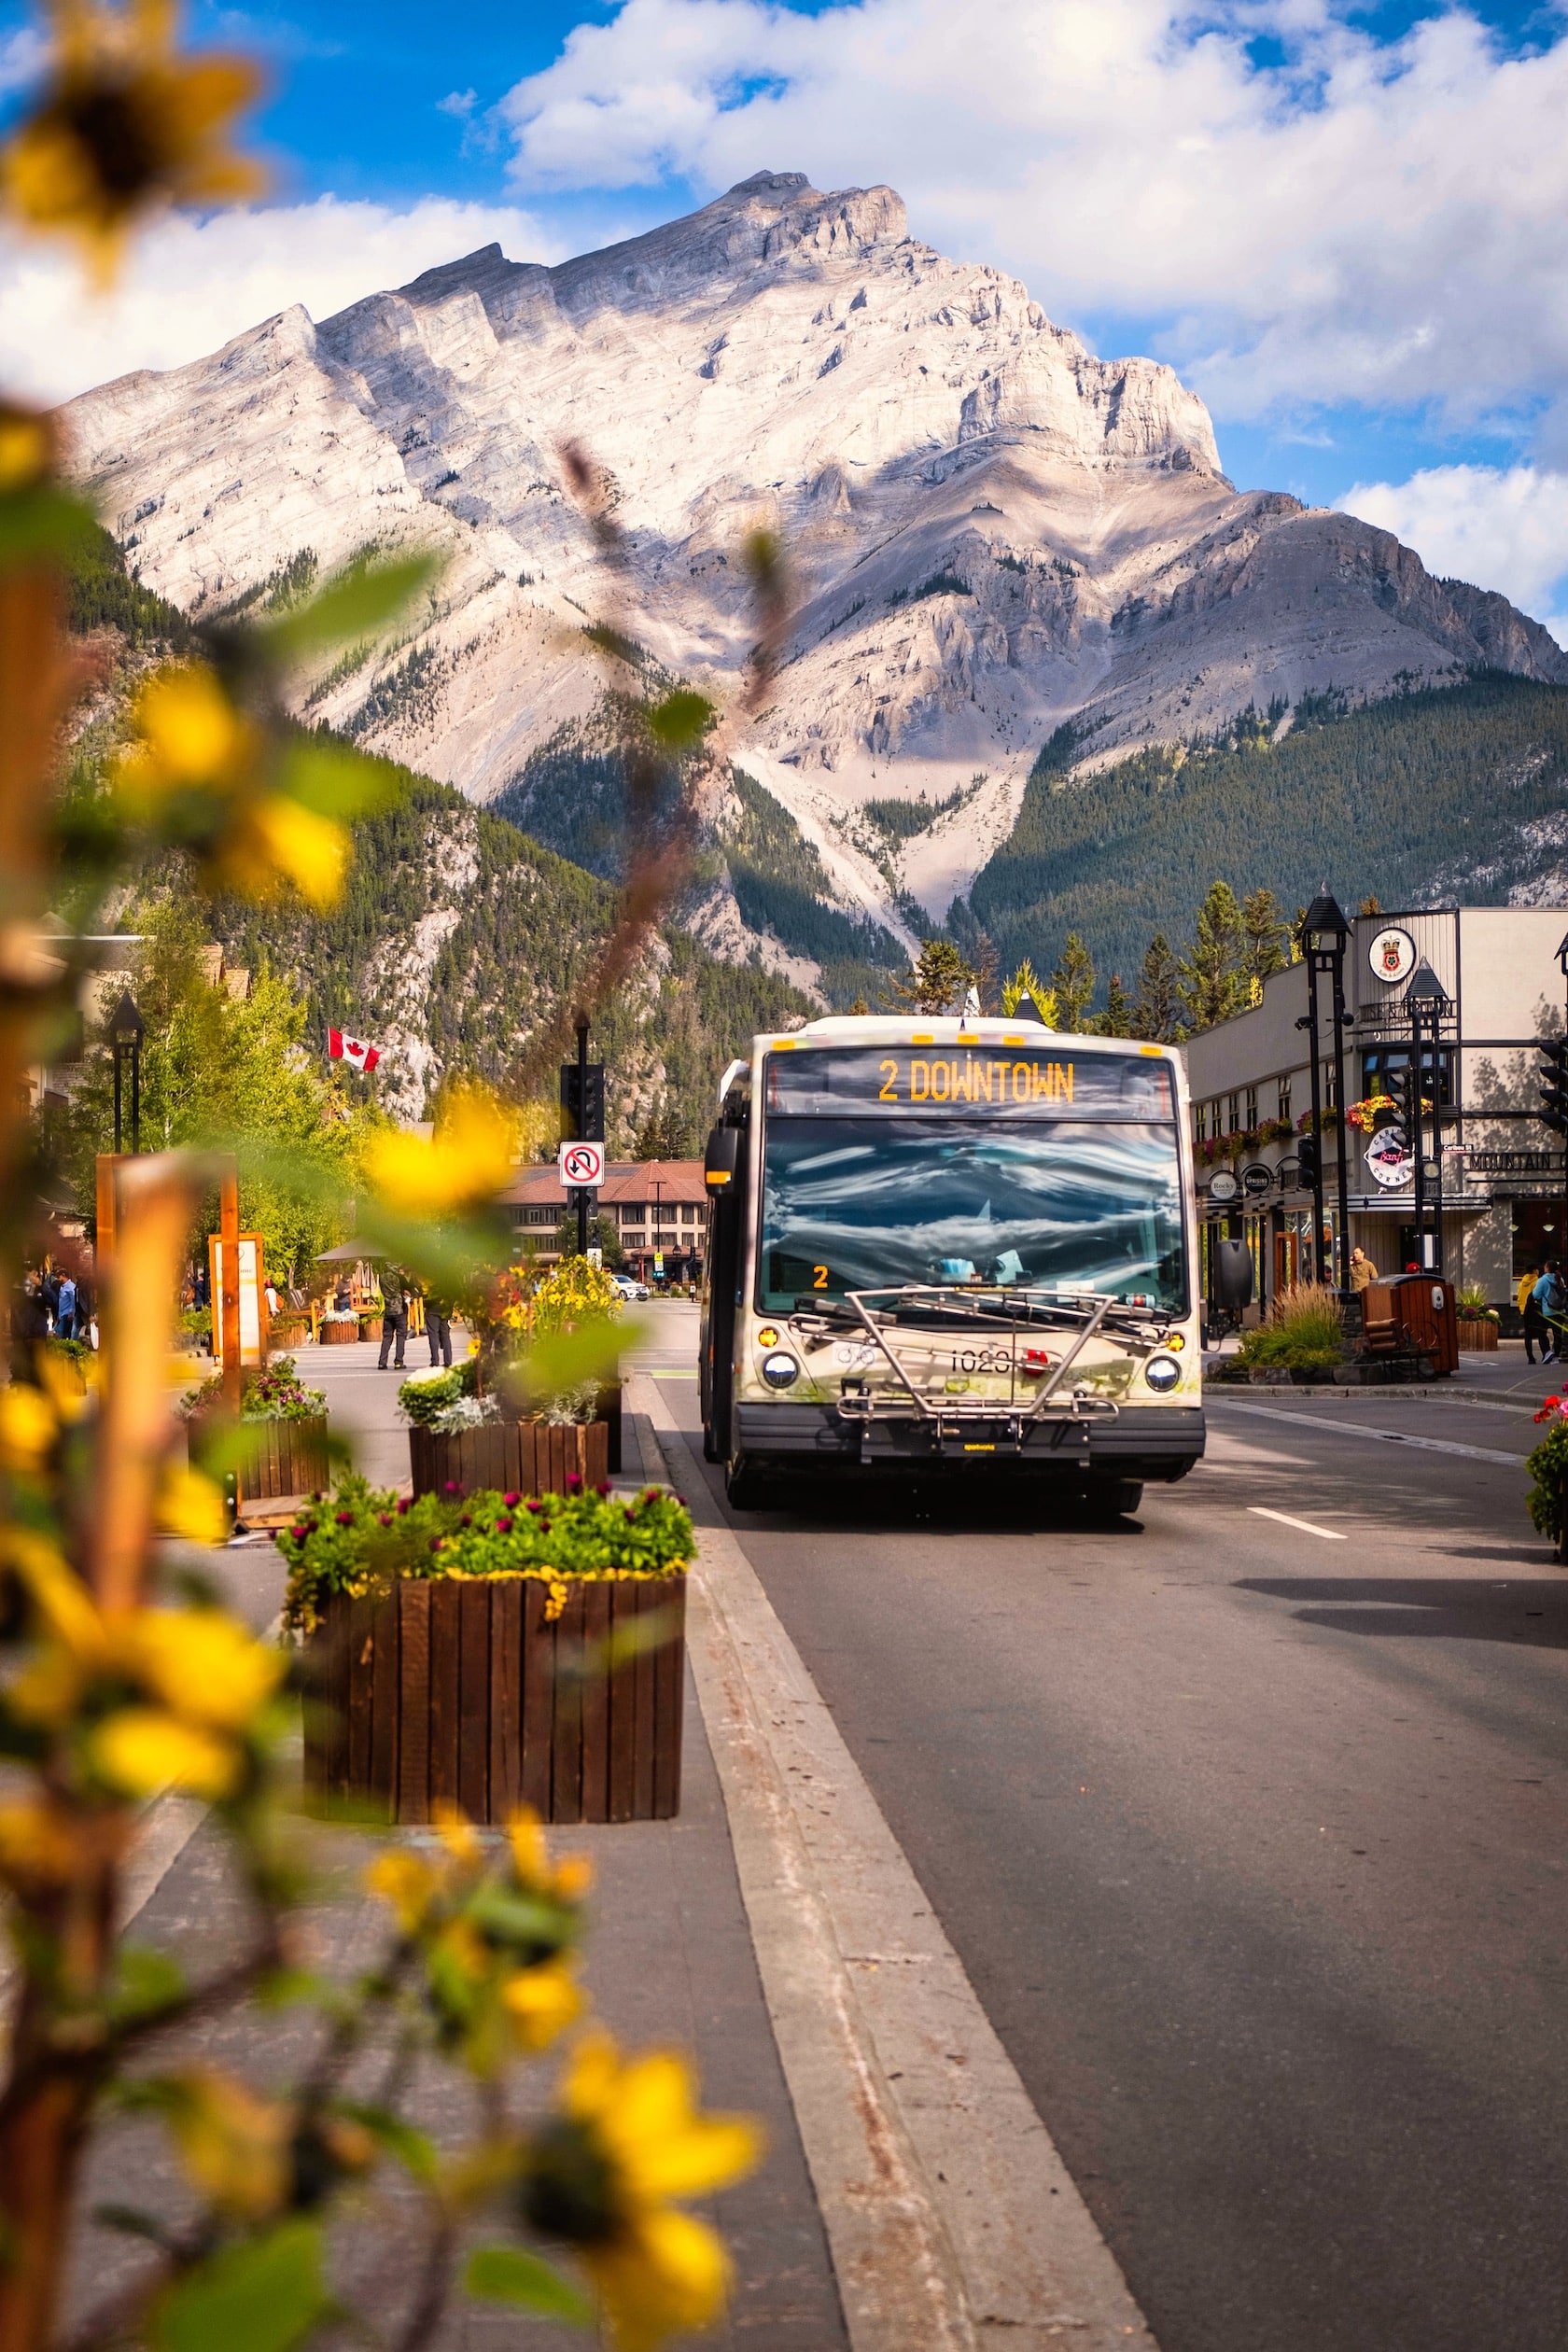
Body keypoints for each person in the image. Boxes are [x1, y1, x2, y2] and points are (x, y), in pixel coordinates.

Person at [1531, 1260, 1566, 1365]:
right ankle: (1556, 1355)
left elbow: (1536, 1295)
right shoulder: (1561, 1279)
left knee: (1542, 1333)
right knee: (1558, 1334)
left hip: (1548, 1311)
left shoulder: (1542, 1280)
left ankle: (1547, 1352)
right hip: (1560, 1310)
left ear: (1547, 1268)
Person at [377, 1262, 409, 1370]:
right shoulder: (400, 1278)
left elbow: (383, 1291)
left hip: (388, 1310)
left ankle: (382, 1361)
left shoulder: (381, 1278)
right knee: (401, 1336)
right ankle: (398, 1361)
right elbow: (408, 1288)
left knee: (387, 1336)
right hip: (400, 1310)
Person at [1520, 1265, 1547, 1365]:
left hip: (1525, 1311)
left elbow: (1520, 1297)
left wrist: (1521, 1308)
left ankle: (1530, 1357)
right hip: (1535, 1311)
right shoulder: (1537, 1282)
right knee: (1541, 1333)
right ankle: (1545, 1354)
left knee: (1528, 1335)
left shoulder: (1522, 1282)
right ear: (1535, 1270)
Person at [425, 1287, 454, 1368]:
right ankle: (448, 1360)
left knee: (433, 1334)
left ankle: (435, 1361)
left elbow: (424, 1293)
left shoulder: (429, 1279)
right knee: (445, 1335)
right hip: (445, 1307)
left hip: (432, 1308)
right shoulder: (448, 1278)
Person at [55, 1271, 77, 1340]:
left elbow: (73, 1299)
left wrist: (71, 1312)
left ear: (63, 1275)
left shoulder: (70, 1286)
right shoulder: (62, 1287)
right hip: (62, 1314)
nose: (58, 1279)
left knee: (63, 1333)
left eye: (59, 1277)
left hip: (67, 1314)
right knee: (61, 1333)